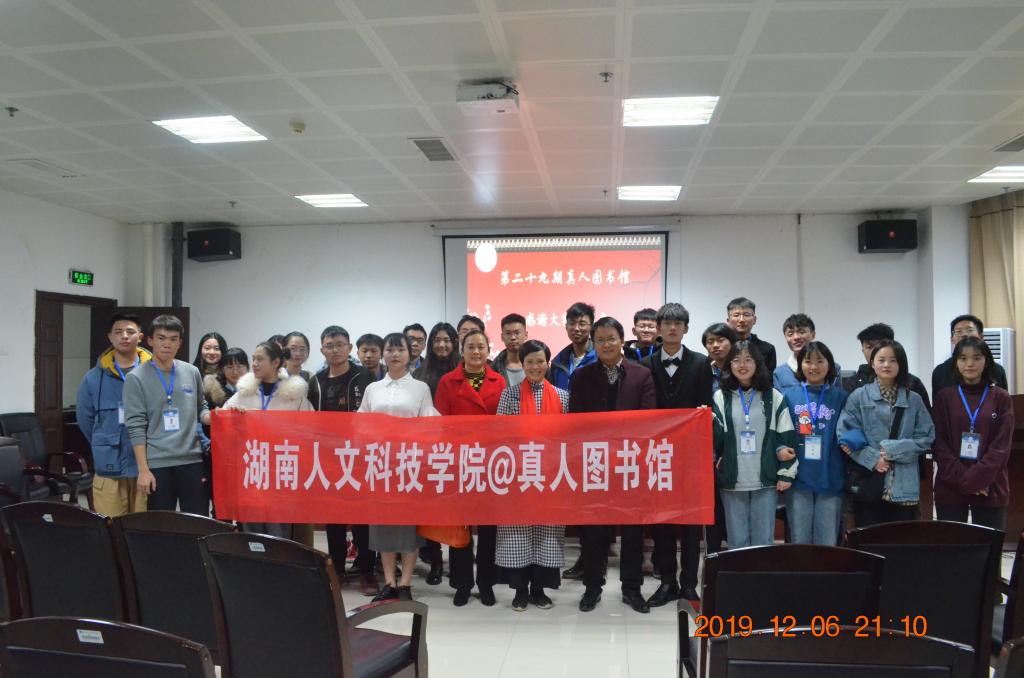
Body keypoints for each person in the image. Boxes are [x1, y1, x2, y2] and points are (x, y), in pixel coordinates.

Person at [569, 316, 656, 614]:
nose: (606, 344)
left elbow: (648, 419)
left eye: (611, 339)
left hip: (630, 464)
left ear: (622, 341)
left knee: (632, 531)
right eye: (600, 340)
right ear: (593, 344)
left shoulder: (641, 375)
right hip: (594, 464)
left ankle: (632, 589)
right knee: (593, 531)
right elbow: (576, 423)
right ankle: (592, 588)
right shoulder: (581, 377)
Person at [640, 303, 713, 607]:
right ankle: (667, 582)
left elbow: (706, 407)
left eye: (678, 323)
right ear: (658, 328)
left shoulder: (701, 363)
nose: (672, 328)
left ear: (686, 328)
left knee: (691, 523)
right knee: (663, 521)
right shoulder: (646, 364)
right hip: (658, 455)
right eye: (667, 323)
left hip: (691, 455)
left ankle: (689, 584)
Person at [358, 333, 439, 602]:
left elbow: (429, 423)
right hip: (379, 464)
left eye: (400, 349)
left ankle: (405, 584)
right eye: (390, 349)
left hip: (409, 465)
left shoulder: (420, 388)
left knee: (407, 527)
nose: (395, 354)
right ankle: (390, 583)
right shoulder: (373, 389)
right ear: (383, 353)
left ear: (409, 353)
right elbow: (360, 423)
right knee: (382, 525)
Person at [495, 339, 569, 612]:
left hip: (551, 476)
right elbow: (499, 435)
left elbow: (569, 437)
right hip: (518, 475)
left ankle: (539, 590)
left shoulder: (562, 396)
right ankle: (520, 591)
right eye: (530, 362)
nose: (535, 367)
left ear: (548, 364)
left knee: (546, 533)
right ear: (522, 364)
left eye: (540, 362)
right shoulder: (509, 395)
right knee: (518, 533)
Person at [435, 329, 507, 607]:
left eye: (481, 347)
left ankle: (486, 583)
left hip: (490, 464)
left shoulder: (499, 381)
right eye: (470, 347)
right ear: (461, 350)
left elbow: (505, 424)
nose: (476, 352)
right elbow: (440, 424)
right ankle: (462, 583)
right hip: (459, 462)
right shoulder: (447, 382)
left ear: (488, 350)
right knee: (460, 528)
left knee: (489, 529)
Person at [307, 326, 377, 596]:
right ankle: (337, 569)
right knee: (333, 518)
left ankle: (367, 570)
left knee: (362, 517)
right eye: (329, 345)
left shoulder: (364, 377)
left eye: (339, 344)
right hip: (328, 459)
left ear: (349, 348)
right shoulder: (316, 381)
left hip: (359, 457)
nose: (335, 350)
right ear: (322, 350)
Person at [837, 340, 935, 526]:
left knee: (900, 538)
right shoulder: (858, 396)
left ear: (901, 364)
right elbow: (846, 434)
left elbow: (927, 436)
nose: (886, 365)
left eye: (893, 360)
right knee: (869, 537)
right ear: (872, 363)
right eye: (881, 360)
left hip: (904, 484)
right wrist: (874, 459)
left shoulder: (914, 399)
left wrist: (893, 450)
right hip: (868, 482)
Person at [712, 340, 797, 548]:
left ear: (757, 363)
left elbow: (786, 436)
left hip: (765, 479)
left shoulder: (774, 396)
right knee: (737, 539)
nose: (742, 365)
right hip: (732, 479)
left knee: (764, 540)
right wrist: (709, 422)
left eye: (748, 360)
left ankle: (763, 571)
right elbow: (716, 440)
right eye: (736, 360)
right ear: (729, 365)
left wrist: (786, 472)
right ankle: (739, 571)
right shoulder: (721, 396)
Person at [223, 341, 312, 538]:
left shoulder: (294, 396)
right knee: (251, 528)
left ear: (276, 362)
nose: (254, 364)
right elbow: (221, 418)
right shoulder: (244, 393)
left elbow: (309, 430)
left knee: (278, 531)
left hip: (281, 470)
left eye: (260, 359)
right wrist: (231, 416)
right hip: (252, 468)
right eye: (253, 359)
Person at [124, 315, 211, 515]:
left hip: (192, 460)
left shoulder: (191, 372)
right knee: (162, 523)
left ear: (180, 343)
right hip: (158, 464)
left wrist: (210, 417)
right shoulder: (135, 378)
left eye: (173, 339)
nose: (167, 344)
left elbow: (201, 407)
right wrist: (143, 470)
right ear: (150, 340)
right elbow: (135, 425)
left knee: (198, 520)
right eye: (161, 338)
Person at [932, 336, 1014, 530]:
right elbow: (938, 443)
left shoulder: (1001, 397)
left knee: (989, 547)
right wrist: (970, 481)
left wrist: (978, 479)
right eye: (963, 358)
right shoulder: (944, 397)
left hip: (991, 486)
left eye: (976, 358)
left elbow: (1001, 448)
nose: (969, 363)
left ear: (986, 362)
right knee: (952, 546)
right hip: (950, 486)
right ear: (956, 363)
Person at [76, 313, 152, 517]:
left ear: (140, 337)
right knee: (110, 524)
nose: (124, 336)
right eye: (118, 332)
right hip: (110, 465)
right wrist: (103, 442)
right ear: (110, 337)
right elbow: (85, 419)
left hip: (147, 466)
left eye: (130, 331)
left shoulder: (153, 373)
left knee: (144, 525)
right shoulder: (93, 378)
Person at [780, 341, 849, 545]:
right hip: (798, 478)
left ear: (830, 365)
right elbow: (780, 435)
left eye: (820, 361)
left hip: (830, 477)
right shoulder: (788, 396)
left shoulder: (841, 398)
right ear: (800, 365)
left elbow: (849, 432)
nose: (814, 367)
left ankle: (825, 569)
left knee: (827, 541)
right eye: (808, 361)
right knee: (799, 539)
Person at [842, 323, 931, 410]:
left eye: (880, 346)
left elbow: (925, 417)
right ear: (863, 350)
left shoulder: (912, 383)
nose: (875, 351)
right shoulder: (853, 384)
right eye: (869, 347)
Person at [931, 315, 1008, 396]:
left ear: (981, 337)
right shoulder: (940, 372)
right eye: (958, 331)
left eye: (969, 330)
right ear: (952, 339)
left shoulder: (996, 370)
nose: (964, 335)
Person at [773, 314, 841, 391]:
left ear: (813, 335)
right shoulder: (780, 373)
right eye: (790, 334)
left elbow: (838, 396)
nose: (796, 337)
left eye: (801, 332)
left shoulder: (833, 368)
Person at [548, 301, 598, 391]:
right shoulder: (558, 362)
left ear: (592, 327)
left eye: (582, 324)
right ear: (566, 326)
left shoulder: (600, 358)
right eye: (572, 323)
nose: (576, 328)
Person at [725, 297, 777, 372]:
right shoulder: (722, 348)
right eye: (736, 315)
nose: (741, 320)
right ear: (728, 321)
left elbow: (770, 378)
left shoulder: (768, 349)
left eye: (746, 315)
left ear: (754, 320)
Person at [413, 322, 460, 398]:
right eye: (437, 340)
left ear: (455, 343)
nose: (441, 345)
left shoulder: (464, 369)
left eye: (446, 340)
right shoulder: (419, 373)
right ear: (431, 343)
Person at [491, 313, 528, 388]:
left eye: (517, 333)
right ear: (502, 337)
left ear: (526, 335)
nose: (513, 337)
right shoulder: (494, 367)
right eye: (508, 333)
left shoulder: (538, 365)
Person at [702, 323, 739, 392]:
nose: (715, 345)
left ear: (732, 343)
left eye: (720, 340)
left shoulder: (742, 370)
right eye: (710, 342)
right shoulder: (703, 373)